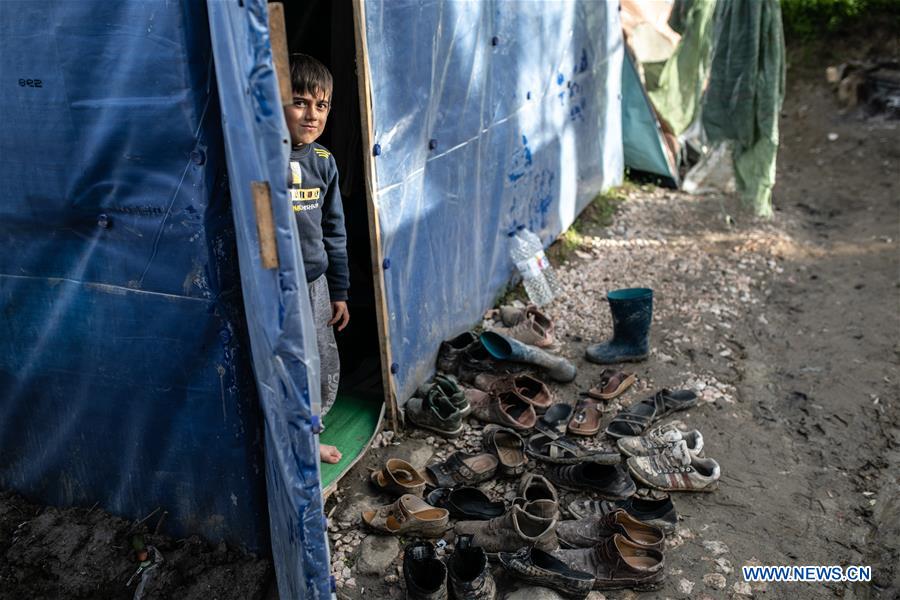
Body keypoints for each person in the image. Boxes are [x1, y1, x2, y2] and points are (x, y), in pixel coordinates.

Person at [283, 54, 349, 464]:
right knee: (290, 368)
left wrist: (339, 289)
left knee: (320, 363)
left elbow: (335, 231)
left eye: (321, 105)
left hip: (316, 284)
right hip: (277, 288)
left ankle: (310, 433)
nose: (312, 114)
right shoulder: (261, 160)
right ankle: (295, 442)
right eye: (300, 102)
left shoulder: (323, 163)